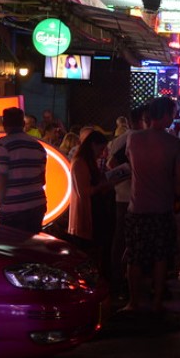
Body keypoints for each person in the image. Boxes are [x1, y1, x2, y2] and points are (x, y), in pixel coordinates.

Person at [124, 96, 180, 314]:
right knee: (160, 258)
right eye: (173, 113)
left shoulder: (133, 140)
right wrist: (179, 197)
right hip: (162, 208)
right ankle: (157, 302)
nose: (174, 117)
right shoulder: (174, 144)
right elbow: (179, 183)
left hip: (137, 206)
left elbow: (130, 166)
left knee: (135, 257)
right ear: (166, 115)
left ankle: (133, 302)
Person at [107, 104, 148, 303]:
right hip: (130, 196)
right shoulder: (132, 139)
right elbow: (112, 165)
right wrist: (134, 172)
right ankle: (123, 280)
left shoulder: (119, 140)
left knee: (122, 238)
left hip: (123, 196)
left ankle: (120, 277)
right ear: (141, 120)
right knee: (128, 239)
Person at [0, 107, 48, 234]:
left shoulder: (2, 145)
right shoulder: (37, 146)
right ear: (23, 124)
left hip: (14, 208)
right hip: (37, 204)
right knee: (31, 248)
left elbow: (1, 180)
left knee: (12, 248)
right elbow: (42, 180)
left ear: (4, 124)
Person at [66, 130, 112, 261]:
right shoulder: (80, 162)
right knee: (87, 255)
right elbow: (84, 191)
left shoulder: (87, 161)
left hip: (93, 212)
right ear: (92, 145)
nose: (102, 153)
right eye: (101, 148)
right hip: (86, 215)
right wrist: (103, 185)